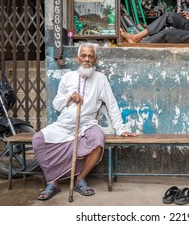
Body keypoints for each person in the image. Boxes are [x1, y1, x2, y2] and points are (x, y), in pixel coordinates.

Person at [32, 43, 139, 200]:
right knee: (38, 139)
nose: (87, 59)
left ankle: (80, 179)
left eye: (90, 56)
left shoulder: (100, 79)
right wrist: (70, 96)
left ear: (95, 60)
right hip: (64, 124)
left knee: (98, 140)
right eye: (83, 56)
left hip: (87, 124)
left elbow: (111, 104)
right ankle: (52, 182)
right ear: (78, 59)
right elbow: (56, 104)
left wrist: (121, 129)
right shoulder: (67, 78)